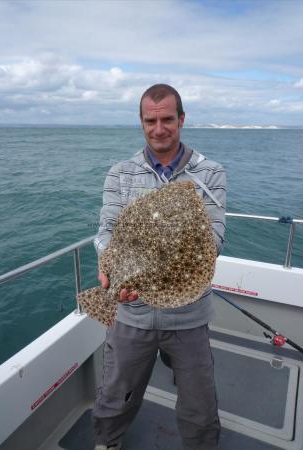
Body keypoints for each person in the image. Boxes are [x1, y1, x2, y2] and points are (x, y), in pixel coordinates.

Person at [93, 84, 226, 450]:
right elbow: (106, 231)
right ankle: (108, 442)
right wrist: (110, 269)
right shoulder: (120, 174)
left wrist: (166, 247)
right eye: (150, 120)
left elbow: (214, 238)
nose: (159, 128)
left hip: (189, 314)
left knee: (199, 403)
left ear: (181, 120)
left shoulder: (210, 173)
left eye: (167, 119)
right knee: (116, 392)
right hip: (131, 311)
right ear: (141, 122)